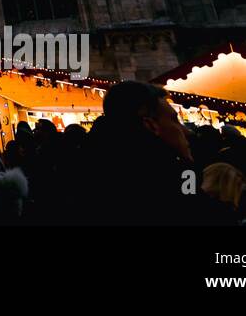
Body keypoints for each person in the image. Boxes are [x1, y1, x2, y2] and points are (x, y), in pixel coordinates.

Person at [84, 81, 235, 226]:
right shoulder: (165, 182)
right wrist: (187, 164)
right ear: (150, 125)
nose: (187, 132)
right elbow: (199, 213)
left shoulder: (93, 172)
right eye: (174, 120)